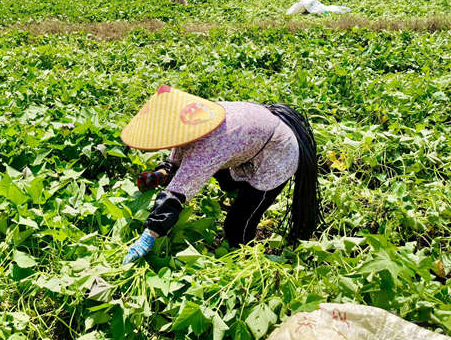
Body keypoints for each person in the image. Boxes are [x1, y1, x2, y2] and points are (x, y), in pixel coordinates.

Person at [121, 85, 321, 265]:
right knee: (228, 183)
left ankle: (245, 258)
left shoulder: (209, 146)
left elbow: (178, 193)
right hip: (253, 140)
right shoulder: (194, 117)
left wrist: (149, 235)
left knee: (238, 223)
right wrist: (160, 173)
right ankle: (240, 194)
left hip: (277, 154)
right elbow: (177, 158)